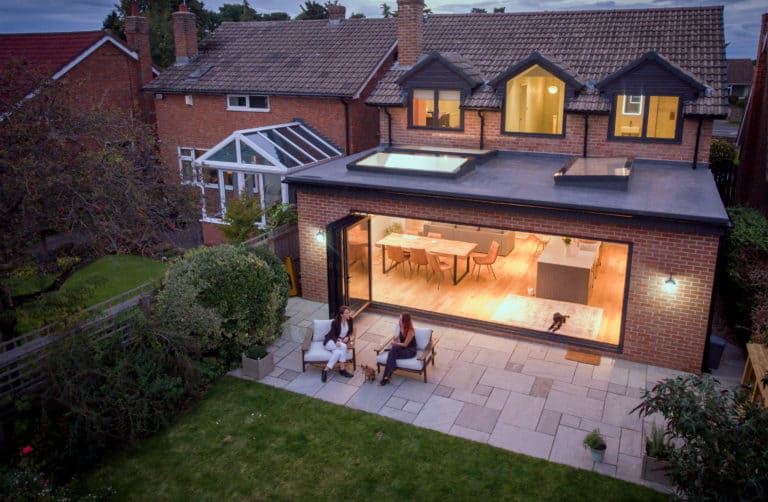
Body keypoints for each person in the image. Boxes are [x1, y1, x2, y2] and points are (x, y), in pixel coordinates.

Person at [380, 312, 417, 386]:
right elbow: (398, 336)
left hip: (410, 351)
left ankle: (386, 376)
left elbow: (405, 344)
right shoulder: (401, 326)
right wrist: (395, 339)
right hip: (402, 349)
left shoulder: (410, 331)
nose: (398, 320)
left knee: (391, 353)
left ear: (405, 321)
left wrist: (395, 343)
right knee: (393, 352)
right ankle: (388, 374)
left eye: (400, 319)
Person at [321, 305, 355, 382]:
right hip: (330, 341)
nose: (348, 314)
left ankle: (325, 370)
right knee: (343, 347)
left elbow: (350, 331)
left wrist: (348, 337)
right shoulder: (335, 322)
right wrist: (336, 341)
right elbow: (332, 334)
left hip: (340, 343)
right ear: (341, 315)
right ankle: (342, 370)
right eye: (346, 313)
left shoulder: (350, 320)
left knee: (337, 353)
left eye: (348, 313)